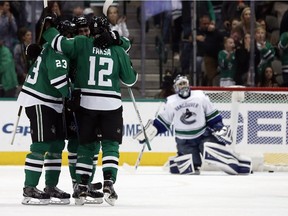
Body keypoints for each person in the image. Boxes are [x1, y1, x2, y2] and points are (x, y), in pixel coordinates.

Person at [42, 15, 137, 206]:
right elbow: (130, 79)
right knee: (110, 145)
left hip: (84, 102)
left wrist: (48, 29)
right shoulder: (117, 49)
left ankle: (82, 185)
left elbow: (59, 43)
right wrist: (119, 43)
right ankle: (108, 182)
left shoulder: (81, 43)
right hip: (110, 103)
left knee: (86, 145)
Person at [134, 75, 251, 175]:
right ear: (175, 88)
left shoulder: (200, 96)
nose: (183, 86)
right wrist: (150, 132)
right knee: (190, 167)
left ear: (189, 84)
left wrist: (219, 127)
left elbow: (212, 116)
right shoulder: (171, 102)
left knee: (211, 149)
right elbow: (162, 123)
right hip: (185, 141)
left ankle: (236, 163)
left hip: (203, 135)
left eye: (184, 83)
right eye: (180, 84)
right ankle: (177, 162)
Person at [17, 20, 71, 205]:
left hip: (51, 101)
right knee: (41, 144)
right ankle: (29, 188)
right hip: (40, 99)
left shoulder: (50, 47)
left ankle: (50, 186)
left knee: (56, 145)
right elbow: (58, 80)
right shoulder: (58, 51)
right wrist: (72, 96)